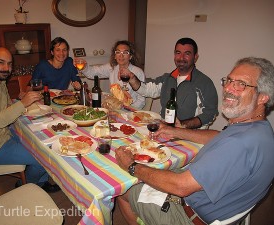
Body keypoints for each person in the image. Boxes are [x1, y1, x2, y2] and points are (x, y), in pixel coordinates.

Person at [115, 57, 274, 224]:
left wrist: (132, 166)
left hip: (189, 214)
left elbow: (181, 186)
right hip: (217, 202)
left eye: (241, 84)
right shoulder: (258, 129)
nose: (227, 88)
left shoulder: (239, 145)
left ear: (263, 97)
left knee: (124, 191)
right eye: (229, 80)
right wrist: (175, 131)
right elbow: (219, 136)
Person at [0, 47, 60, 193]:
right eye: (1, 62)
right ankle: (28, 185)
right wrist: (22, 104)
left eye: (9, 64)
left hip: (2, 135)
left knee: (43, 138)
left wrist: (20, 101)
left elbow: (6, 105)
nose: (6, 68)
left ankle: (41, 180)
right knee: (43, 157)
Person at [127, 37, 218, 129]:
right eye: (178, 53)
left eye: (187, 53)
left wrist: (183, 124)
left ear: (195, 57)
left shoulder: (204, 83)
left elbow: (210, 114)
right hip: (164, 129)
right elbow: (147, 89)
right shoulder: (167, 78)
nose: (181, 57)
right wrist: (132, 78)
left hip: (188, 135)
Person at [75, 40, 146, 109]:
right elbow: (93, 72)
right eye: (118, 52)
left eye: (125, 52)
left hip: (130, 109)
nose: (121, 56)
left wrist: (129, 111)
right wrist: (84, 67)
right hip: (115, 108)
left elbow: (141, 100)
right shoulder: (112, 68)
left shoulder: (138, 72)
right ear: (115, 56)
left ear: (130, 56)